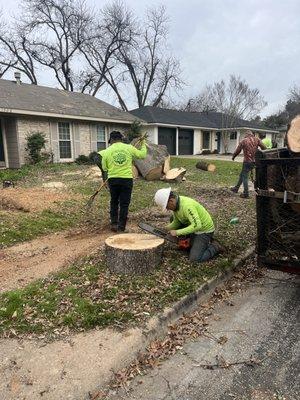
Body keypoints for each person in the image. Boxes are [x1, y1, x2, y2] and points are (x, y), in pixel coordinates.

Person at [154, 188, 222, 263]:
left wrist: (177, 232)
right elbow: (177, 222)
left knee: (194, 259)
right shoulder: (176, 206)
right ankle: (189, 241)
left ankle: (215, 247)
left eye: (167, 206)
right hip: (193, 227)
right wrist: (167, 228)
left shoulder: (187, 206)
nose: (167, 209)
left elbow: (197, 225)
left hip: (203, 231)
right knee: (172, 218)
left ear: (171, 201)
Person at [99, 131, 147, 232]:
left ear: (111, 140)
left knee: (114, 202)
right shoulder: (129, 148)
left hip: (113, 180)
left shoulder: (107, 151)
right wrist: (143, 143)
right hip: (126, 180)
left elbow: (104, 167)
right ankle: (121, 227)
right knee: (124, 204)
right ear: (121, 139)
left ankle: (114, 224)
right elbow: (142, 155)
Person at [230, 130, 266, 198]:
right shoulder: (257, 139)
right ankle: (236, 188)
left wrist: (233, 156)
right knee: (242, 174)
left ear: (246, 134)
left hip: (247, 161)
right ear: (252, 134)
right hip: (255, 161)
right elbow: (264, 148)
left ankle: (246, 193)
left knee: (245, 177)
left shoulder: (244, 141)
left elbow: (238, 150)